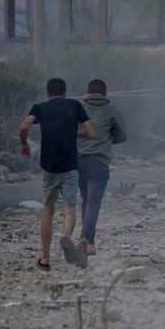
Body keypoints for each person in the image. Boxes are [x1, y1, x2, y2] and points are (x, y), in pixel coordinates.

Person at [18, 78, 97, 270]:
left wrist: (24, 144)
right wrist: (75, 134)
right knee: (69, 207)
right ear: (65, 92)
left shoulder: (40, 107)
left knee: (48, 209)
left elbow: (24, 127)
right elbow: (92, 132)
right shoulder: (74, 105)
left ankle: (45, 258)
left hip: (49, 167)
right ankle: (66, 237)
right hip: (70, 165)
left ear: (47, 93)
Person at [77, 79, 127, 256]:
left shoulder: (78, 108)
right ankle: (87, 241)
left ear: (87, 91)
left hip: (78, 160)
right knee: (93, 203)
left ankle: (85, 239)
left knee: (85, 200)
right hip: (99, 162)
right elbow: (123, 135)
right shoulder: (111, 110)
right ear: (105, 93)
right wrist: (107, 140)